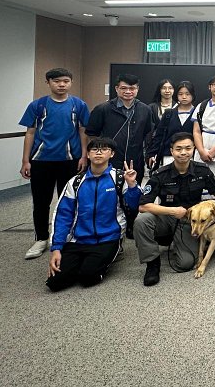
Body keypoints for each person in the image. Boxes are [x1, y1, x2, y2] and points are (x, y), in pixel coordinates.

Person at [134, 132, 215, 286]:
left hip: (189, 222)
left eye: (188, 148)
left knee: (186, 264)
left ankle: (174, 241)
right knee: (142, 221)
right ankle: (152, 263)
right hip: (166, 217)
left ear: (194, 150)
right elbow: (143, 206)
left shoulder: (202, 170)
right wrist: (172, 211)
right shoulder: (160, 174)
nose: (183, 152)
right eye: (178, 149)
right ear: (171, 151)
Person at [46, 137, 134, 291]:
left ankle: (108, 255)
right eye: (94, 149)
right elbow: (63, 215)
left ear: (112, 154)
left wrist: (132, 186)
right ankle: (78, 264)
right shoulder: (75, 182)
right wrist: (56, 248)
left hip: (108, 238)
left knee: (88, 277)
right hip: (78, 240)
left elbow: (135, 206)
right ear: (87, 154)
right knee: (55, 283)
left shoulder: (120, 178)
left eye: (104, 149)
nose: (99, 152)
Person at [19, 67, 90, 259]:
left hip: (70, 161)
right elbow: (30, 133)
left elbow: (83, 131)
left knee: (69, 201)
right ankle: (41, 238)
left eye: (65, 81)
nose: (61, 85)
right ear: (48, 82)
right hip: (41, 161)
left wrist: (84, 156)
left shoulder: (79, 105)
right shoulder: (38, 105)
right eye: (57, 81)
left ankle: (66, 236)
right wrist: (25, 160)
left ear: (71, 83)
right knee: (41, 202)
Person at [86, 73, 154, 235]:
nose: (128, 91)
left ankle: (130, 225)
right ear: (116, 89)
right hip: (109, 161)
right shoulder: (103, 109)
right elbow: (91, 134)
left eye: (132, 88)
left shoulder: (144, 109)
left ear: (137, 89)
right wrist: (100, 153)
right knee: (108, 193)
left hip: (134, 160)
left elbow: (147, 133)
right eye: (124, 88)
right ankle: (107, 226)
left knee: (133, 193)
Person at [147, 80, 195, 168]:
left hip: (192, 156)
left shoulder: (198, 113)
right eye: (180, 94)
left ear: (192, 95)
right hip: (169, 156)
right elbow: (159, 136)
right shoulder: (169, 113)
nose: (184, 97)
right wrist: (152, 153)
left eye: (187, 94)